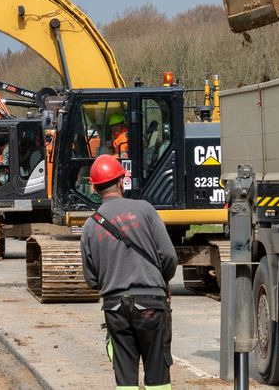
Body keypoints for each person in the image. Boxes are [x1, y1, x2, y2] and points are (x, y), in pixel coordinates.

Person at [80, 155, 177, 390]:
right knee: (158, 377)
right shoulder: (145, 210)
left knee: (125, 381)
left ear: (93, 187)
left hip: (114, 308)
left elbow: (91, 279)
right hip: (150, 304)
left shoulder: (90, 225)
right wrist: (160, 281)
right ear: (121, 182)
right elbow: (169, 256)